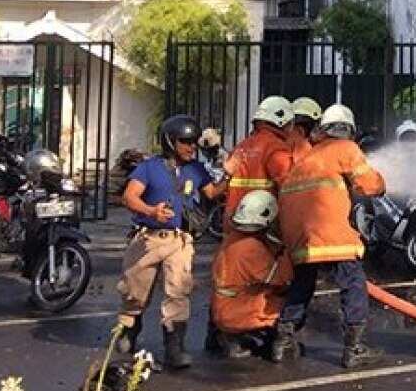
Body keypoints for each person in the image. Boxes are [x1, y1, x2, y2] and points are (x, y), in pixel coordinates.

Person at [271, 104, 386, 368]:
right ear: (347, 129)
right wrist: (381, 183)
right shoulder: (345, 148)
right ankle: (354, 347)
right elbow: (369, 184)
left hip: (300, 238)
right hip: (331, 234)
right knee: (353, 284)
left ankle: (283, 340)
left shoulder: (306, 160)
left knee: (302, 285)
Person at [115, 115, 228, 369]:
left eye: (194, 142)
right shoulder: (149, 167)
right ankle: (129, 329)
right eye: (185, 142)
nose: (191, 147)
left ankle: (174, 347)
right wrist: (151, 211)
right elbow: (129, 197)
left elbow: (212, 193)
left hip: (179, 240)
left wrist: (229, 174)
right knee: (135, 290)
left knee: (179, 291)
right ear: (169, 142)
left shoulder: (196, 169)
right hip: (148, 238)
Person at [210, 190, 293, 360]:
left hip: (221, 310)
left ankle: (228, 338)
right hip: (237, 312)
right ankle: (279, 342)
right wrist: (286, 251)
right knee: (290, 301)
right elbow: (282, 278)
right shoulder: (252, 248)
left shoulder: (231, 239)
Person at [222, 96, 295, 231]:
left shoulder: (241, 146)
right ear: (281, 121)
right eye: (290, 123)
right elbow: (288, 188)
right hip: (262, 223)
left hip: (233, 219)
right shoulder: (276, 148)